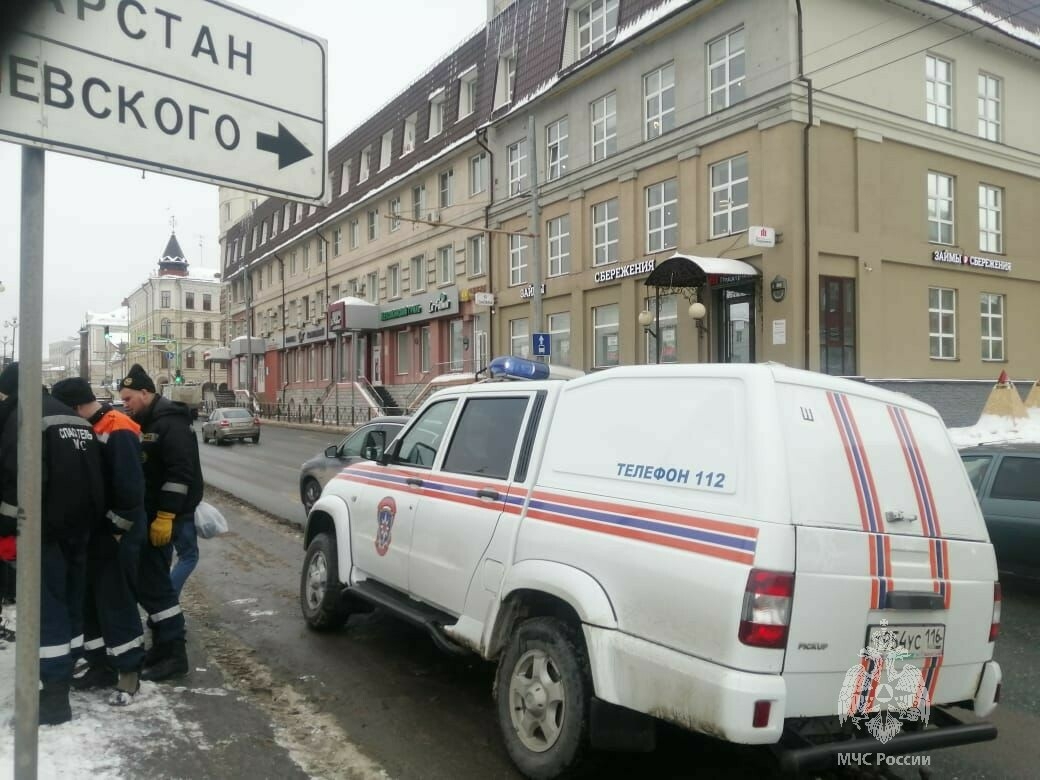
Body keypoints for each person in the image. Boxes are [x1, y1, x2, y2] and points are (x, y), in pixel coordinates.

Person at [0, 363, 106, 724]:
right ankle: (67, 667)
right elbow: (96, 475)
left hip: (41, 532)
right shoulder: (70, 417)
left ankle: (54, 696)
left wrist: (5, 529)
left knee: (46, 610)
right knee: (70, 603)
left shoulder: (26, 417)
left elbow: (18, 479)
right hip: (80, 529)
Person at [51, 378, 146, 704]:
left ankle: (129, 673)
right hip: (96, 532)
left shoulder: (116, 426)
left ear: (75, 406)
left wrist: (115, 531)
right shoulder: (88, 426)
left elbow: (130, 491)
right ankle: (100, 665)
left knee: (116, 599)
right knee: (90, 600)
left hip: (118, 532)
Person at [118, 364, 202, 681]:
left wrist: (167, 515)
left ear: (145, 392)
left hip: (170, 517)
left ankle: (173, 654)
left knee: (157, 586)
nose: (125, 403)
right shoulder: (146, 420)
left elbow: (180, 475)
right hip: (153, 517)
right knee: (154, 583)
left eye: (128, 398)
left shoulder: (170, 423)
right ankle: (163, 647)